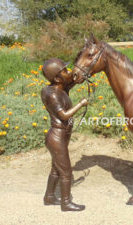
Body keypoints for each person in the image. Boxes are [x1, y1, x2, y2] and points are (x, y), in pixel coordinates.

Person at [41, 58, 88, 211]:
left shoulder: (57, 88)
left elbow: (69, 84)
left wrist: (77, 78)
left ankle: (49, 197)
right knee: (66, 171)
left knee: (56, 169)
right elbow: (64, 116)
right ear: (56, 77)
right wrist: (81, 104)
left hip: (61, 135)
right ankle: (66, 203)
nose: (68, 72)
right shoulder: (53, 95)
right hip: (57, 137)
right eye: (65, 71)